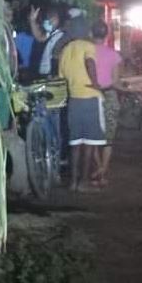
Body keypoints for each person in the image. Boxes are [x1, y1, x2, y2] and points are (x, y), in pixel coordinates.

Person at [59, 24, 105, 192]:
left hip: (73, 99)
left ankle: (73, 182)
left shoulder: (65, 49)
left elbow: (62, 76)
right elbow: (90, 62)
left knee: (75, 144)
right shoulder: (88, 46)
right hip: (89, 97)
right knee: (90, 143)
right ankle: (83, 183)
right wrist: (94, 83)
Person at [90, 20, 125, 187]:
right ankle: (103, 171)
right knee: (108, 138)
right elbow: (116, 82)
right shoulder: (114, 55)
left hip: (91, 96)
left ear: (91, 34)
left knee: (94, 137)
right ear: (107, 35)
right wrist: (127, 89)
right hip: (110, 95)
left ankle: (98, 169)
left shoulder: (86, 53)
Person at [29, 5, 65, 77]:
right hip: (44, 73)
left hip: (52, 74)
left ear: (58, 19)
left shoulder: (61, 35)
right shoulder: (51, 33)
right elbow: (39, 37)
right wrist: (32, 20)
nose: (49, 21)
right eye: (48, 18)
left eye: (52, 18)